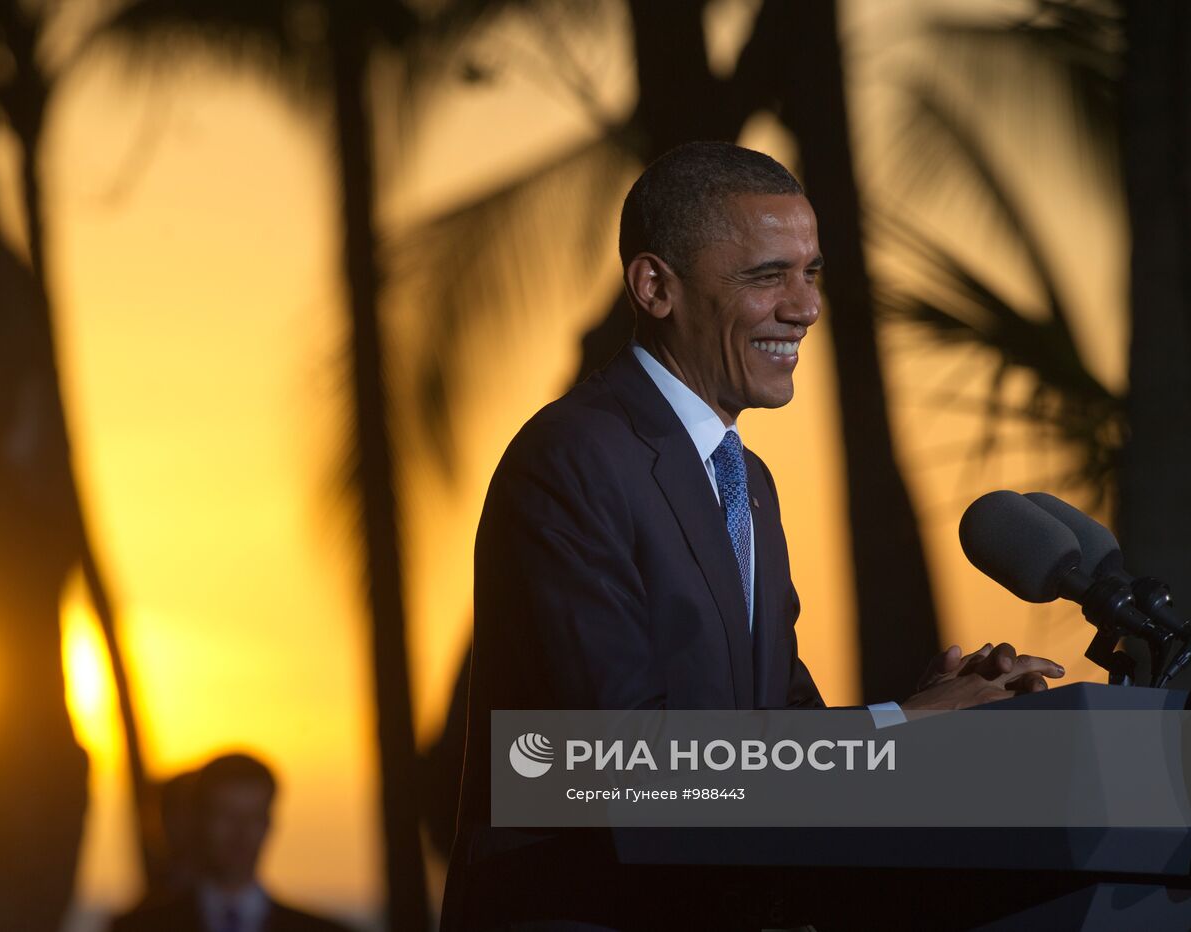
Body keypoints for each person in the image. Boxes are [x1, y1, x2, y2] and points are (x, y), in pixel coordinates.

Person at [438, 142, 1065, 931]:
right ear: (656, 285)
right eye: (768, 276)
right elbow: (621, 766)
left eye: (812, 273)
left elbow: (779, 725)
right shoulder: (574, 459)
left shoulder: (746, 481)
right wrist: (899, 726)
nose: (804, 307)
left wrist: (928, 712)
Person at [111, 753, 351, 932]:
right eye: (226, 816)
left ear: (268, 824)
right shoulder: (138, 928)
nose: (241, 833)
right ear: (199, 820)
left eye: (253, 817)